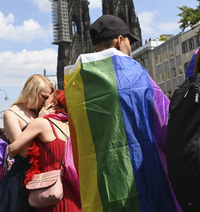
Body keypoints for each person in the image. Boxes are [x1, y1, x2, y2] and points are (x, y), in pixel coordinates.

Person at [64, 15, 182, 212]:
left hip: (98, 192)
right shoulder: (133, 73)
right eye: (129, 41)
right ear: (120, 41)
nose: (130, 48)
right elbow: (167, 125)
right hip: (141, 185)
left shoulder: (75, 85)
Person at [8, 89, 82, 212]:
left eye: (47, 98)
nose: (43, 101)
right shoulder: (72, 126)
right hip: (72, 190)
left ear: (53, 103)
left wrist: (37, 119)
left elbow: (13, 149)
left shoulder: (41, 123)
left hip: (49, 190)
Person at [0, 74, 55, 212]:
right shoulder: (11, 114)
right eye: (43, 96)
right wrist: (38, 123)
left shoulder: (39, 112)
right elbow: (24, 152)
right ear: (32, 91)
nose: (45, 101)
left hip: (44, 176)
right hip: (22, 179)